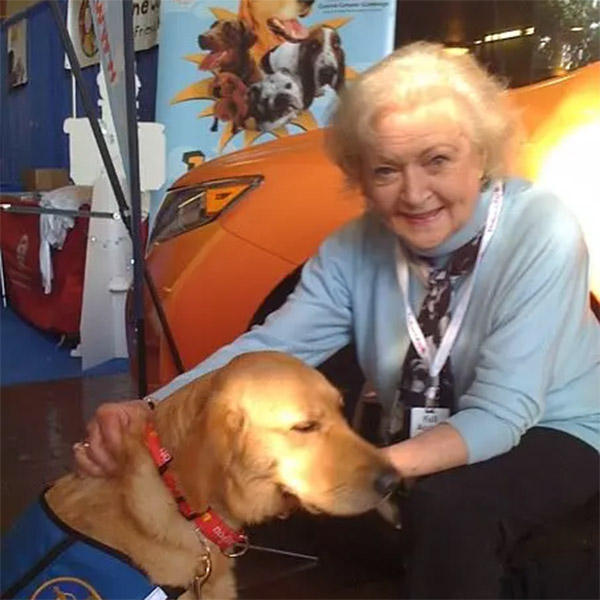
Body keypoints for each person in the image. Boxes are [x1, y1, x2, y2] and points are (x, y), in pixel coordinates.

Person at [74, 42, 600, 598]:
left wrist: (361, 467)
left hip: (557, 424)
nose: (415, 193)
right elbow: (269, 350)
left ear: (482, 155)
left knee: (449, 507)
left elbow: (503, 413)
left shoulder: (539, 228)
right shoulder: (353, 248)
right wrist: (145, 411)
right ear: (360, 176)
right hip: (428, 421)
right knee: (286, 486)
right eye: (386, 170)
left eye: (437, 160)